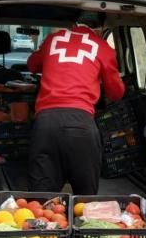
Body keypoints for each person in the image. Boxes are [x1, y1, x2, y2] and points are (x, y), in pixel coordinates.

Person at [27, 12, 124, 194]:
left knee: (41, 195)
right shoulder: (102, 47)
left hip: (46, 123)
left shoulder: (53, 39)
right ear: (100, 29)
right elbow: (116, 93)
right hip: (81, 124)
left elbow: (32, 64)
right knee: (85, 198)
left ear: (75, 23)